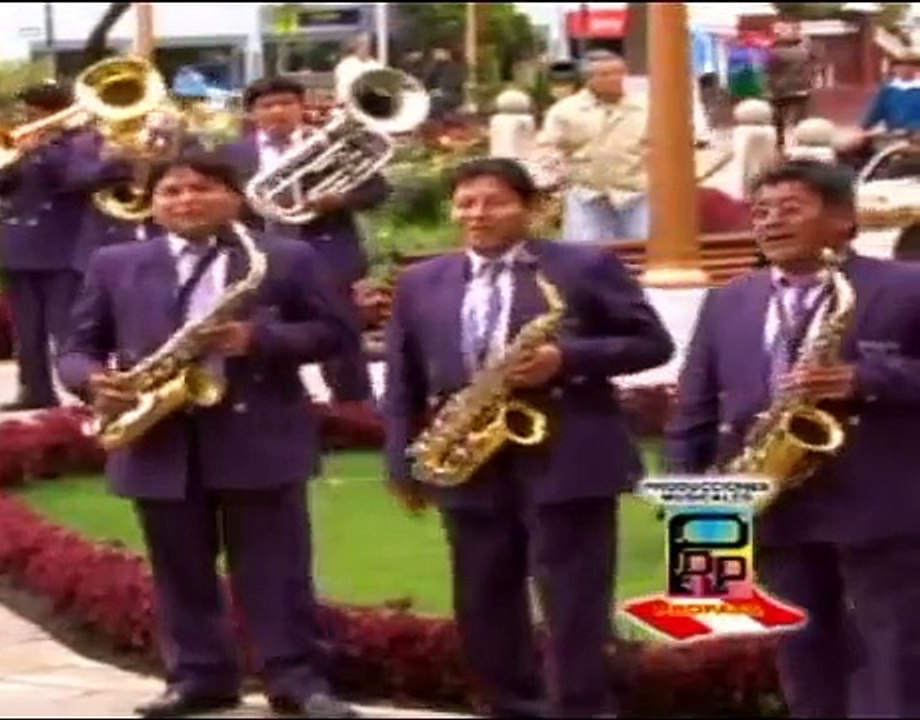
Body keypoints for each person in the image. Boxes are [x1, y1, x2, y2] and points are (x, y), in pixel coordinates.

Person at [58, 151, 361, 719]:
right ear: (151, 202)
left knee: (277, 569)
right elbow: (77, 348)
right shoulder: (115, 262)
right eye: (170, 191)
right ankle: (199, 677)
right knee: (179, 569)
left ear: (234, 196)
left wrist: (260, 341)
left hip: (259, 434)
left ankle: (295, 678)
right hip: (160, 436)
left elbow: (336, 334)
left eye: (200, 188)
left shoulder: (284, 257)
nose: (185, 200)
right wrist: (93, 382)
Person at [382, 157, 674, 717]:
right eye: (466, 203)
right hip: (468, 459)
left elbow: (653, 344)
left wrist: (565, 358)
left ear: (530, 208)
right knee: (483, 595)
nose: (477, 214)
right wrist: (402, 459)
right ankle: (508, 703)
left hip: (570, 454)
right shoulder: (422, 281)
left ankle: (582, 706)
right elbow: (403, 381)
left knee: (573, 599)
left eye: (494, 201)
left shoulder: (584, 266)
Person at [666, 159, 920, 718]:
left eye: (790, 209)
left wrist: (868, 379)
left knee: (894, 651)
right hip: (772, 501)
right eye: (761, 212)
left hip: (879, 502)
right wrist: (688, 496)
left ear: (843, 220)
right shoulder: (730, 298)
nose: (771, 222)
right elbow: (695, 404)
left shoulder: (907, 285)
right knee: (800, 646)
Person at [222, 76, 385, 409]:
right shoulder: (231, 155)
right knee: (264, 335)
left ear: (301, 107)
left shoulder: (328, 144)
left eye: (287, 103)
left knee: (341, 336)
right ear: (253, 114)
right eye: (268, 106)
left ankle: (356, 414)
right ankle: (270, 409)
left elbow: (377, 190)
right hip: (261, 257)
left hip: (326, 254)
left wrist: (339, 199)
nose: (278, 111)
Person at [0, 82, 106, 412]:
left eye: (36, 114)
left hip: (61, 247)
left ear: (57, 113)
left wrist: (42, 153)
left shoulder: (82, 142)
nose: (29, 119)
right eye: (27, 112)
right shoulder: (13, 141)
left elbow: (79, 180)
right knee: (26, 330)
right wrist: (11, 160)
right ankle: (35, 391)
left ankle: (88, 392)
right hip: (15, 248)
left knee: (66, 328)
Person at [538, 49, 651, 244]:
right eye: (606, 75)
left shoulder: (645, 107)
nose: (615, 79)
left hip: (636, 195)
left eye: (619, 73)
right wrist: (553, 173)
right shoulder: (565, 111)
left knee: (646, 253)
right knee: (586, 255)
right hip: (588, 197)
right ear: (589, 79)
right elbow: (548, 147)